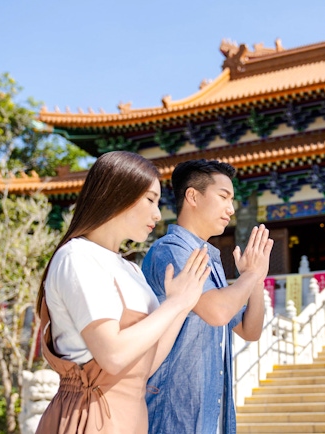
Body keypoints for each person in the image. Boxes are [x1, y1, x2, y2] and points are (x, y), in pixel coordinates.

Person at [34, 151, 211, 433]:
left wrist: (181, 306)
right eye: (151, 199)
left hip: (131, 418)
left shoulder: (132, 271)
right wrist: (172, 304)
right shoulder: (77, 256)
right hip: (89, 417)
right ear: (118, 194)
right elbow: (113, 355)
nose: (157, 213)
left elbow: (145, 365)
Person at [142, 159, 273, 434]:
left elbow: (250, 330)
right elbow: (218, 313)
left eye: (233, 199)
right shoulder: (171, 251)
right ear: (192, 196)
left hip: (211, 417)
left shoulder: (210, 260)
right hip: (173, 417)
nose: (231, 208)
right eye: (223, 196)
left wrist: (256, 278)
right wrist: (250, 276)